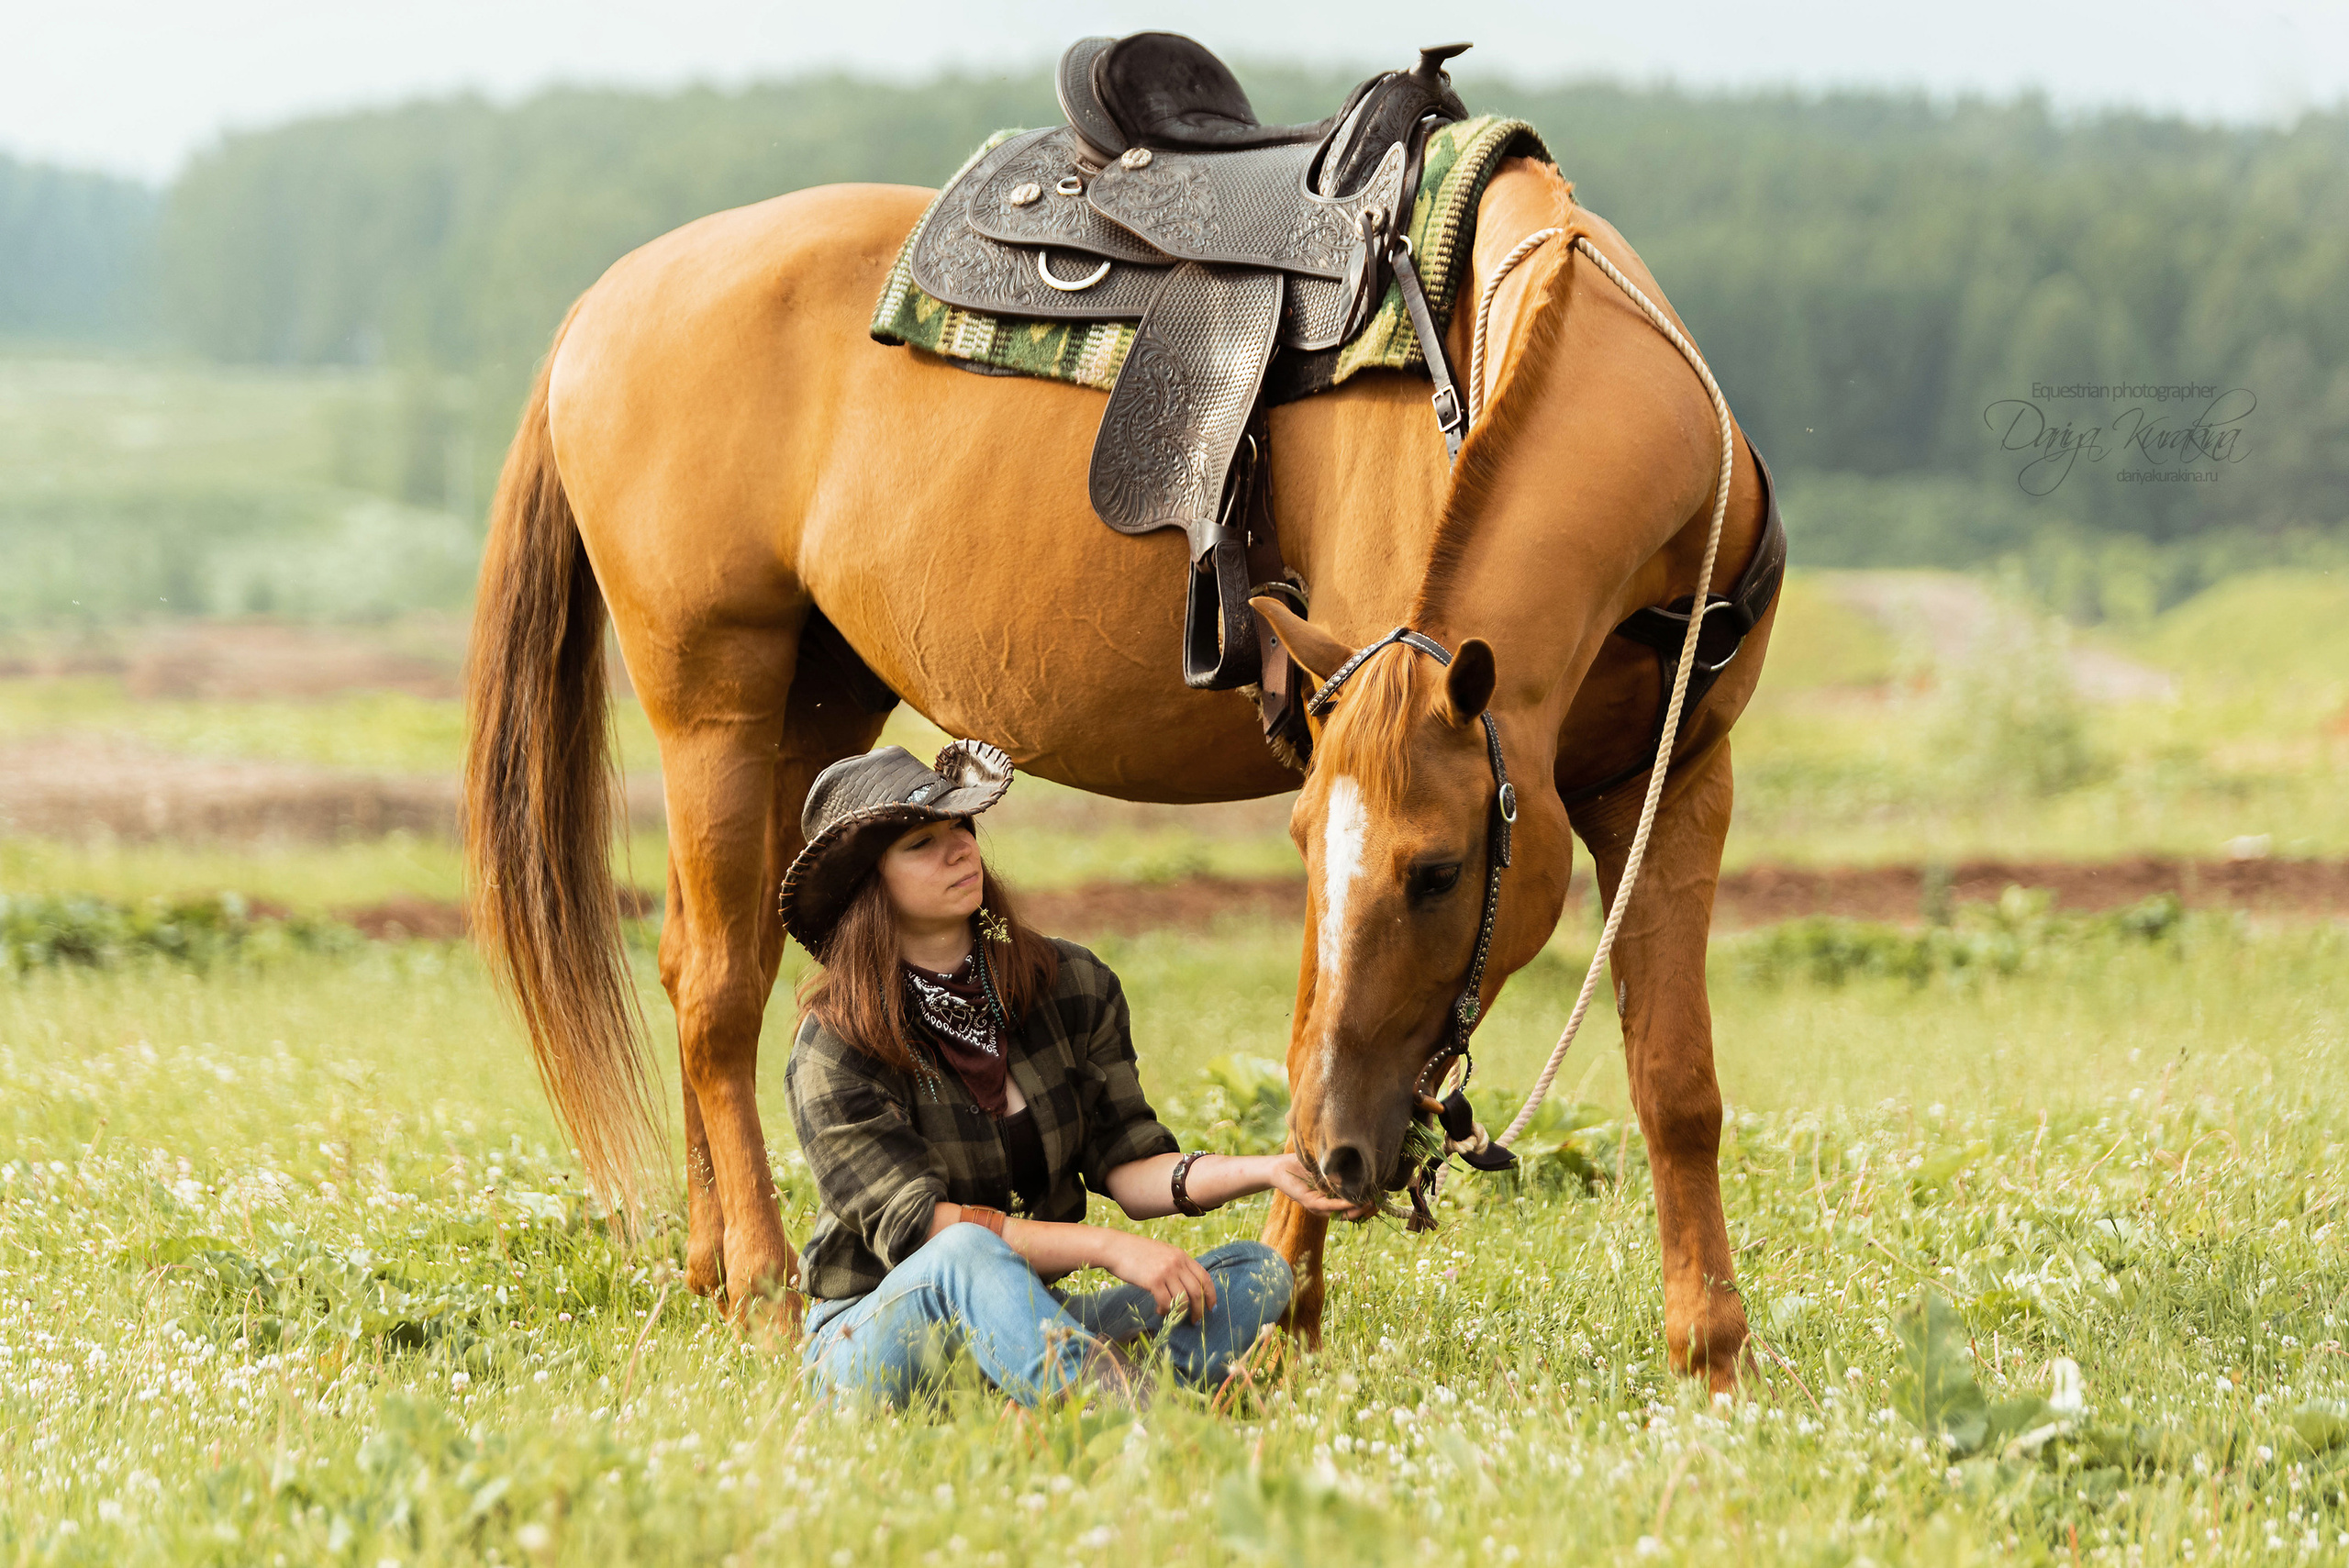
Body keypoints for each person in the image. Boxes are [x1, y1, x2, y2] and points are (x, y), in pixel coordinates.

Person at [779, 740, 1361, 1407]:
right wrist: (1108, 1247)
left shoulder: (1068, 984)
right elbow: (927, 1231)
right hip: (876, 1338)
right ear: (866, 883)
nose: (960, 849)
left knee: (1254, 1274)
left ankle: (1056, 1382)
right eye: (921, 843)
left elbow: (1131, 1167)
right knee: (967, 1250)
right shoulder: (835, 1043)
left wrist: (1270, 1167)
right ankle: (1135, 1411)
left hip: (1029, 1315)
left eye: (960, 827)